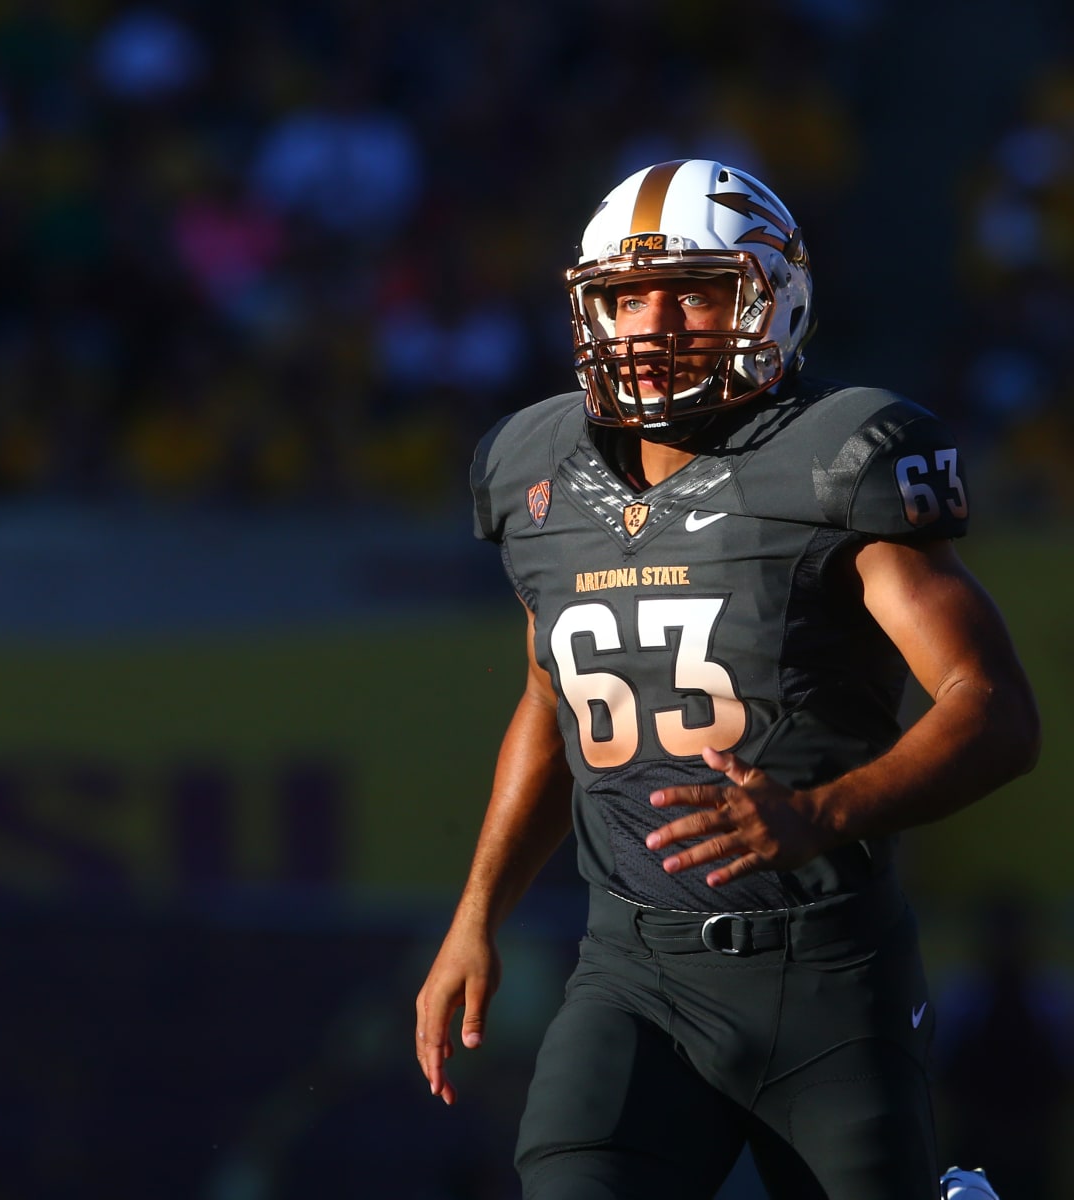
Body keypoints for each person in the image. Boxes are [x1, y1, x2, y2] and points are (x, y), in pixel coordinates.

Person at [414, 157, 1041, 1200]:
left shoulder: (838, 455)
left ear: (770, 299)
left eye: (694, 293)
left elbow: (996, 710)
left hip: (829, 976)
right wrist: (477, 912)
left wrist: (818, 811)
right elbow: (548, 700)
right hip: (634, 971)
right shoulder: (531, 467)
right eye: (624, 297)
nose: (652, 324)